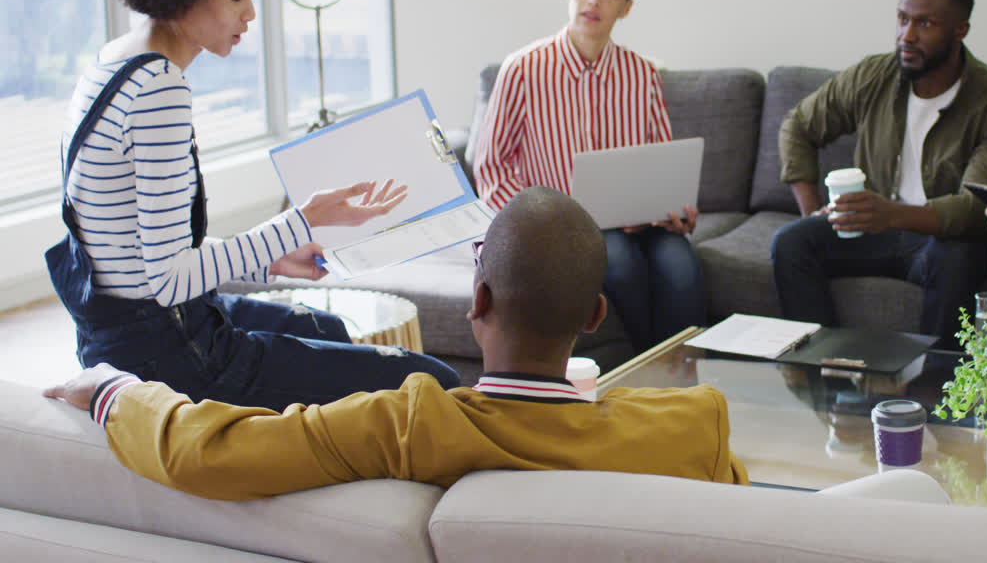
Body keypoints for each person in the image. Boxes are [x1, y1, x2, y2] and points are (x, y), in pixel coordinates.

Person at [48, 0, 459, 412]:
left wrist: (270, 260)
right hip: (173, 353)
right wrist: (304, 220)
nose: (249, 15)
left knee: (329, 326)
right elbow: (168, 281)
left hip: (127, 335)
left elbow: (141, 259)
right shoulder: (159, 90)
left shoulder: (113, 63)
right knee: (432, 381)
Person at [43, 187, 749, 500]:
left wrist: (113, 390)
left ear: (477, 303)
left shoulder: (404, 422)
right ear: (596, 315)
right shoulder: (695, 427)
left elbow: (212, 454)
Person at [771, 0, 987, 341]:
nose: (907, 36)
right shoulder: (874, 76)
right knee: (792, 241)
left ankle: (938, 387)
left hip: (937, 240)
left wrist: (892, 214)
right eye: (902, 19)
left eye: (925, 24)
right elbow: (797, 125)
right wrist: (812, 211)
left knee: (957, 257)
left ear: (960, 31)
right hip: (869, 229)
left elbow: (975, 206)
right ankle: (822, 372)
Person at [472, 0, 705, 352]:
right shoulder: (523, 69)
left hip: (643, 223)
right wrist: (539, 219)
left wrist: (677, 211)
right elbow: (491, 167)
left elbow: (663, 161)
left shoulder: (642, 75)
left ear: (626, 7)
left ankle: (683, 380)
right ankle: (649, 376)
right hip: (569, 228)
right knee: (621, 262)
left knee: (681, 265)